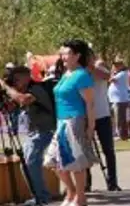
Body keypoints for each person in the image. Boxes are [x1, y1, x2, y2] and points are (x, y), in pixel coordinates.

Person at [43, 40, 99, 206]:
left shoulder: (81, 75)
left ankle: (80, 197)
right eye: (62, 53)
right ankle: (71, 192)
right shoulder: (66, 74)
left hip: (74, 120)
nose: (63, 57)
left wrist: (91, 127)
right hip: (61, 121)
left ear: (77, 56)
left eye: (66, 53)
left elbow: (90, 103)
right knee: (53, 161)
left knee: (75, 161)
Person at [0, 66, 56, 206]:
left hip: (45, 131)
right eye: (13, 81)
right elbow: (14, 106)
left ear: (26, 77)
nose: (15, 83)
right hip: (34, 133)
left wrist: (5, 87)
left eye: (16, 80)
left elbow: (23, 100)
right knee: (26, 164)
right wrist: (2, 101)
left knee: (30, 162)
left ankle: (41, 198)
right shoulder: (24, 91)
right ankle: (38, 196)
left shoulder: (36, 88)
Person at [85, 54, 119, 192]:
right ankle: (86, 182)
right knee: (85, 151)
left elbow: (107, 76)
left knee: (108, 150)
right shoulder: (79, 73)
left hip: (102, 114)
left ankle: (112, 182)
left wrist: (91, 67)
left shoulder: (98, 68)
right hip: (86, 116)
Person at [108, 58, 130, 141]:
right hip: (115, 99)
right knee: (117, 118)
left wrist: (112, 72)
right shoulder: (118, 73)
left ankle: (122, 136)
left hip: (120, 99)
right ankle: (120, 134)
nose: (115, 66)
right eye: (114, 65)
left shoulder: (123, 73)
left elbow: (111, 80)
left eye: (117, 65)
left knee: (120, 119)